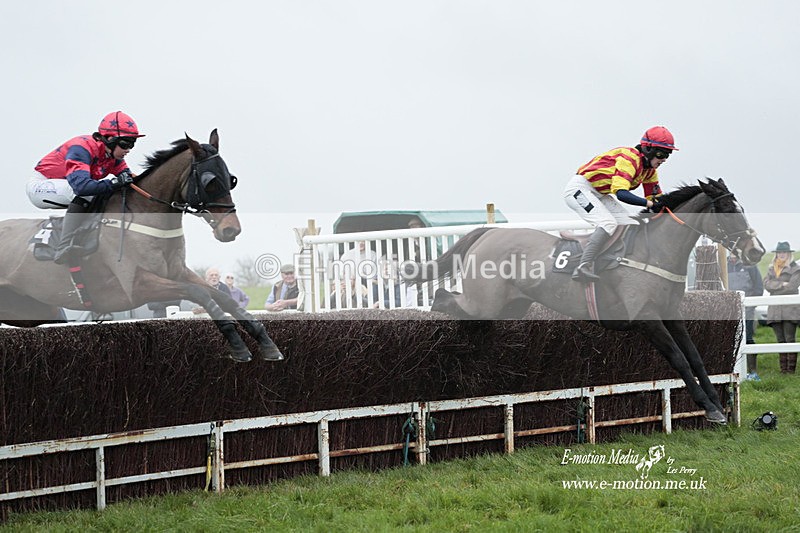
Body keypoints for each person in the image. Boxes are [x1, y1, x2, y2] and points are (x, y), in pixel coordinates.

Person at [28, 111, 145, 264]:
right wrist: (113, 183)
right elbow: (81, 188)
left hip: (68, 185)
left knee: (108, 194)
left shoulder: (113, 156)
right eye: (125, 144)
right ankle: (63, 247)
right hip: (42, 185)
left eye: (132, 144)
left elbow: (131, 181)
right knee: (89, 193)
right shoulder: (81, 148)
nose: (128, 149)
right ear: (110, 139)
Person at [563, 126, 676, 282]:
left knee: (628, 222)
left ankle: (612, 260)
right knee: (607, 223)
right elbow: (622, 194)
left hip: (599, 193)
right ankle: (583, 265)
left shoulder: (649, 171)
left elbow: (657, 200)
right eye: (661, 154)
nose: (664, 159)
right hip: (579, 189)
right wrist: (649, 204)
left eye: (667, 155)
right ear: (648, 149)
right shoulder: (629, 159)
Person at [763, 242, 800, 374]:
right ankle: (783, 370)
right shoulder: (771, 268)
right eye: (779, 252)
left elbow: (792, 286)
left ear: (789, 253)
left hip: (790, 309)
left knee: (789, 339)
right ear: (776, 254)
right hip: (775, 309)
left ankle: (791, 370)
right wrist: (782, 284)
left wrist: (775, 286)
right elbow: (766, 284)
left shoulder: (795, 268)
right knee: (780, 340)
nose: (782, 254)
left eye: (784, 252)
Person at [727, 253, 764, 380]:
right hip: (729, 310)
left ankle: (752, 371)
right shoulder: (724, 265)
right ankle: (733, 369)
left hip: (747, 310)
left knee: (747, 337)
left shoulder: (750, 266)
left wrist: (751, 306)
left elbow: (758, 287)